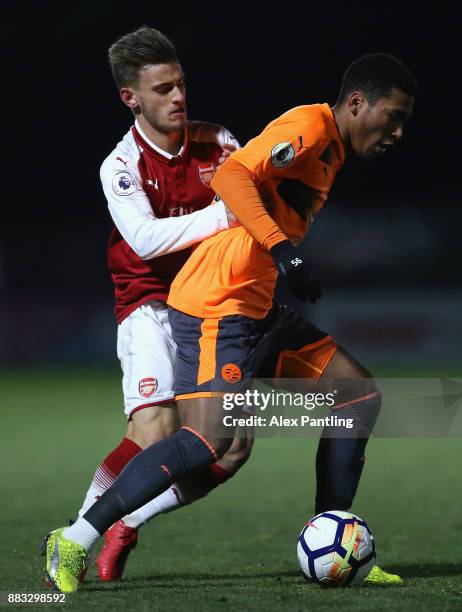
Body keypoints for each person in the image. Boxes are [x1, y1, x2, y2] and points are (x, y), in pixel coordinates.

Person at [44, 52, 416, 592]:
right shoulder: (309, 128)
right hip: (218, 303)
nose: (397, 132)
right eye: (393, 117)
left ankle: (334, 532)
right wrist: (284, 250)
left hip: (254, 303)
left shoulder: (331, 148)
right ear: (357, 103)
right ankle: (75, 537)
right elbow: (233, 175)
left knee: (356, 395)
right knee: (207, 440)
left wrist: (279, 257)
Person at [42, 26, 254, 585]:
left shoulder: (219, 142)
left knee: (231, 448)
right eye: (162, 89)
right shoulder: (121, 166)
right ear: (130, 98)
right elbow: (145, 240)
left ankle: (126, 521)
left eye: (181, 84)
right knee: (154, 428)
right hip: (149, 304)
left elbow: (254, 197)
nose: (178, 97)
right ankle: (75, 536)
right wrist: (228, 214)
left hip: (210, 308)